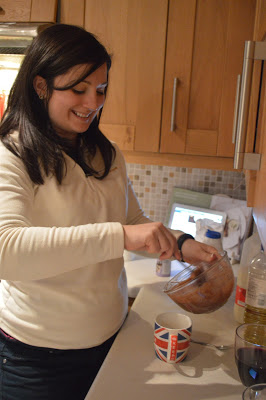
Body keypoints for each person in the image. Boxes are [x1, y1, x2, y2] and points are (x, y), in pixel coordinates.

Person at [0, 24, 218, 400]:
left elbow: (132, 221)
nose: (93, 103)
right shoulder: (11, 154)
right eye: (78, 89)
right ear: (41, 86)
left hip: (110, 342)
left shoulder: (107, 153)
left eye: (100, 90)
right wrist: (118, 236)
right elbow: (7, 251)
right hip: (35, 362)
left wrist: (183, 245)